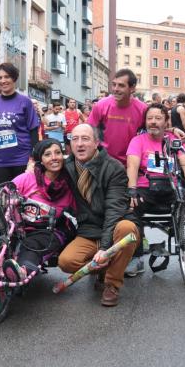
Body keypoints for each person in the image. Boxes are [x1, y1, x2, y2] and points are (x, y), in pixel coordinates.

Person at [58, 124, 140, 307]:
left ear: (96, 143)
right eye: (75, 139)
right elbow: (45, 172)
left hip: (116, 225)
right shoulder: (68, 166)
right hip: (89, 229)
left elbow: (114, 210)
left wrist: (104, 247)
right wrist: (33, 166)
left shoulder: (114, 167)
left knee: (127, 229)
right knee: (66, 261)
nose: (79, 144)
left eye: (85, 139)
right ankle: (108, 266)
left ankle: (111, 284)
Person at [126, 104, 185, 274]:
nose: (153, 122)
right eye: (150, 118)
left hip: (172, 189)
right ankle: (136, 256)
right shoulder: (138, 141)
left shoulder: (173, 139)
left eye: (158, 118)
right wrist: (131, 189)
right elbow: (132, 166)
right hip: (146, 189)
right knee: (130, 206)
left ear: (166, 121)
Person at [0, 138, 76, 282]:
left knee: (33, 244)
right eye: (48, 154)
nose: (54, 158)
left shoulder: (70, 182)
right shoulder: (27, 178)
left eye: (57, 153)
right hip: (20, 227)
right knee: (1, 240)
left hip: (51, 231)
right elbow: (4, 194)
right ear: (40, 159)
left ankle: (22, 271)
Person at [0, 63, 40, 185]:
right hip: (2, 160)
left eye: (7, 77)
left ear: (14, 78)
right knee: (2, 198)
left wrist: (33, 159)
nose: (3, 80)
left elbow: (33, 131)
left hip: (22, 159)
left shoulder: (25, 102)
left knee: (21, 198)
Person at [88, 68, 147, 166]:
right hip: (104, 162)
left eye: (121, 85)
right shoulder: (101, 105)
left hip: (131, 163)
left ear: (132, 88)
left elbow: (154, 130)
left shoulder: (142, 109)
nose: (115, 89)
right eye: (114, 84)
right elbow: (88, 131)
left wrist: (173, 129)